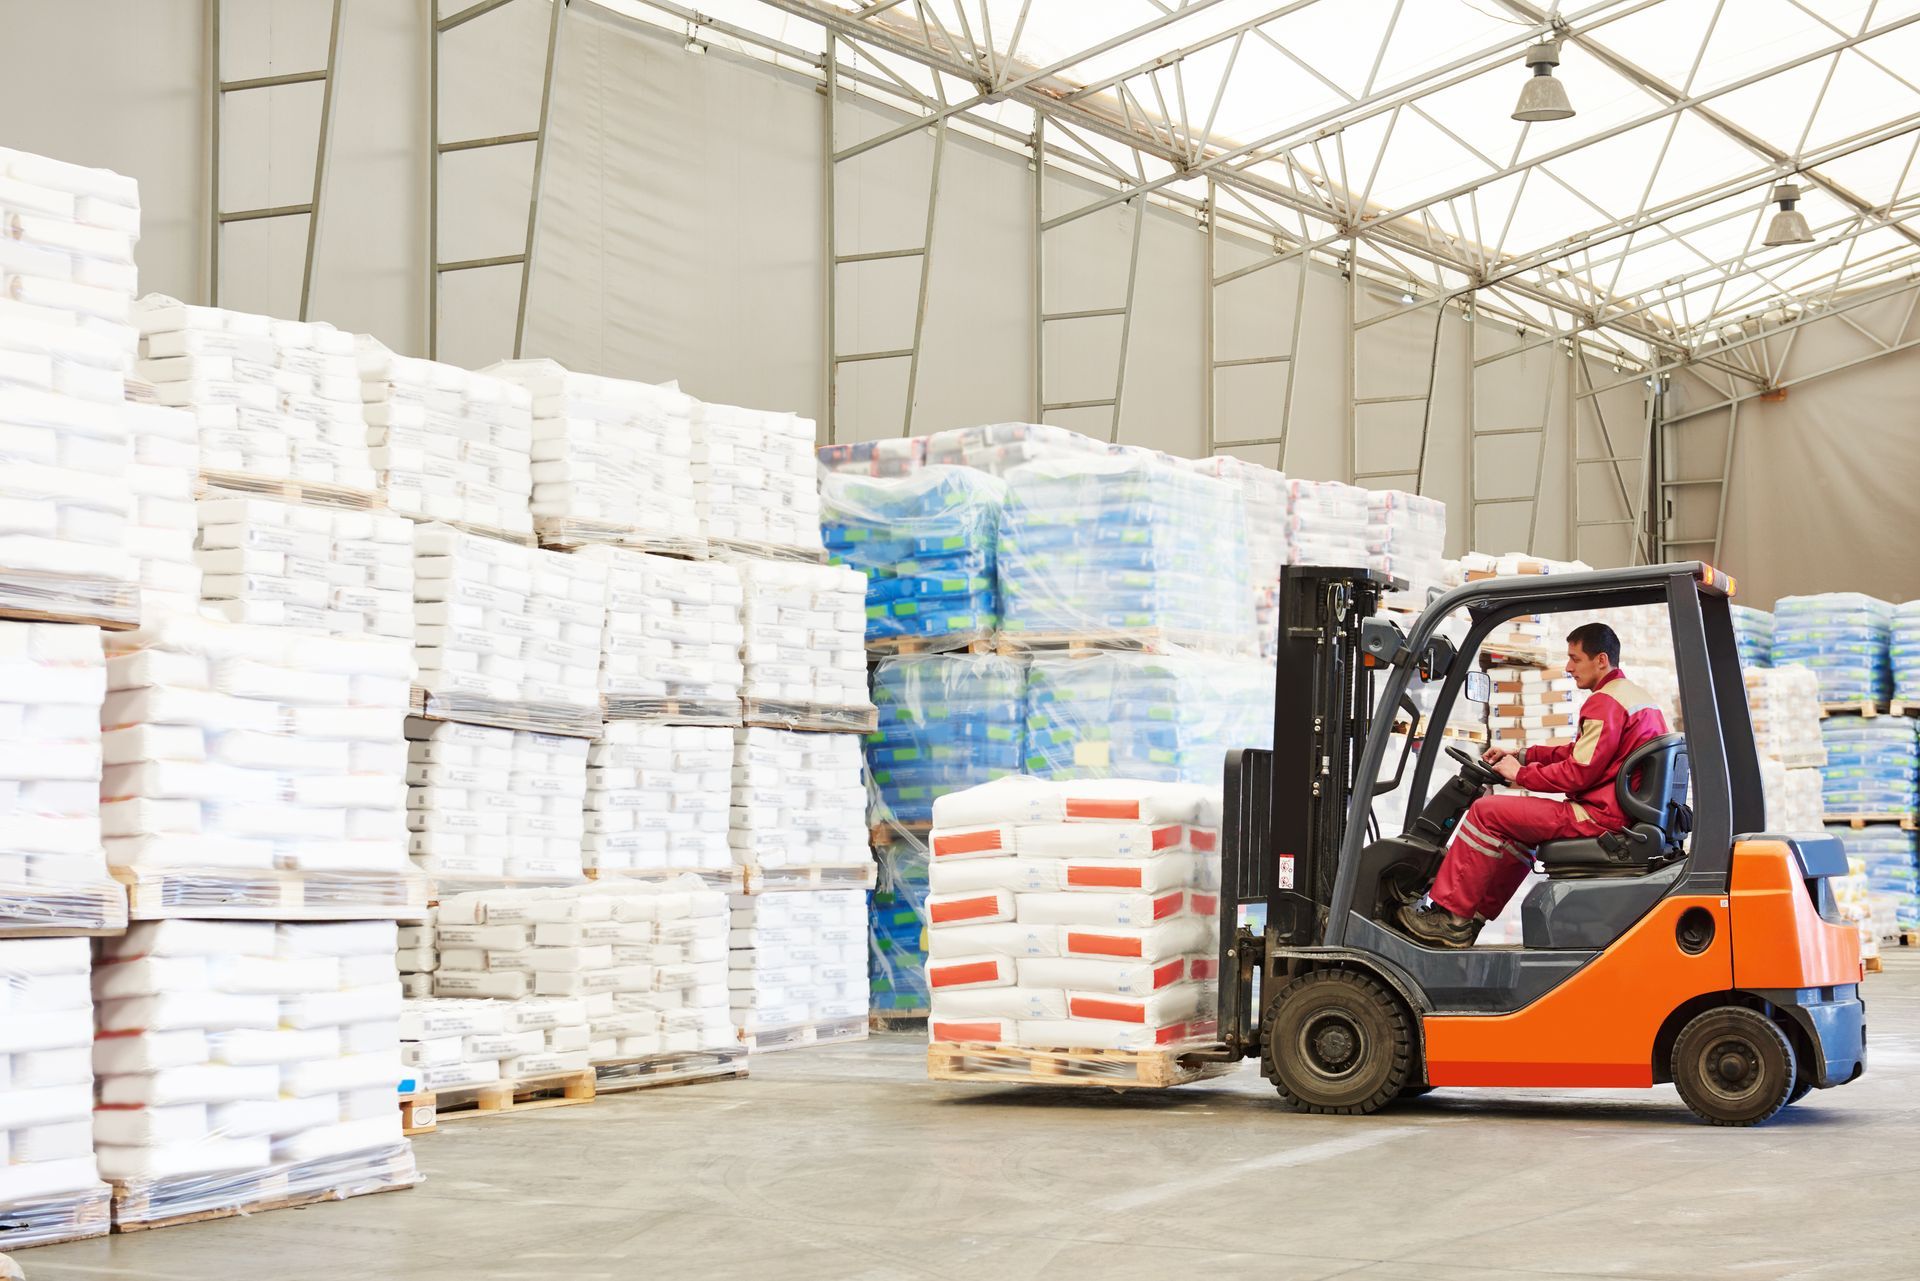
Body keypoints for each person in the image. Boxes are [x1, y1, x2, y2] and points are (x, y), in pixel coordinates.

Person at [1396, 621, 1671, 949]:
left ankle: (1450, 918)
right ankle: (1471, 921)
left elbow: (1578, 773)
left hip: (1599, 816)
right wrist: (1523, 755)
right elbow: (1580, 753)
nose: (1568, 668)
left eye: (1575, 659)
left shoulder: (1605, 703)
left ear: (1601, 660)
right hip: (1615, 811)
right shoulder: (1633, 698)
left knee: (1486, 811)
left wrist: (1519, 775)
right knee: (1514, 828)